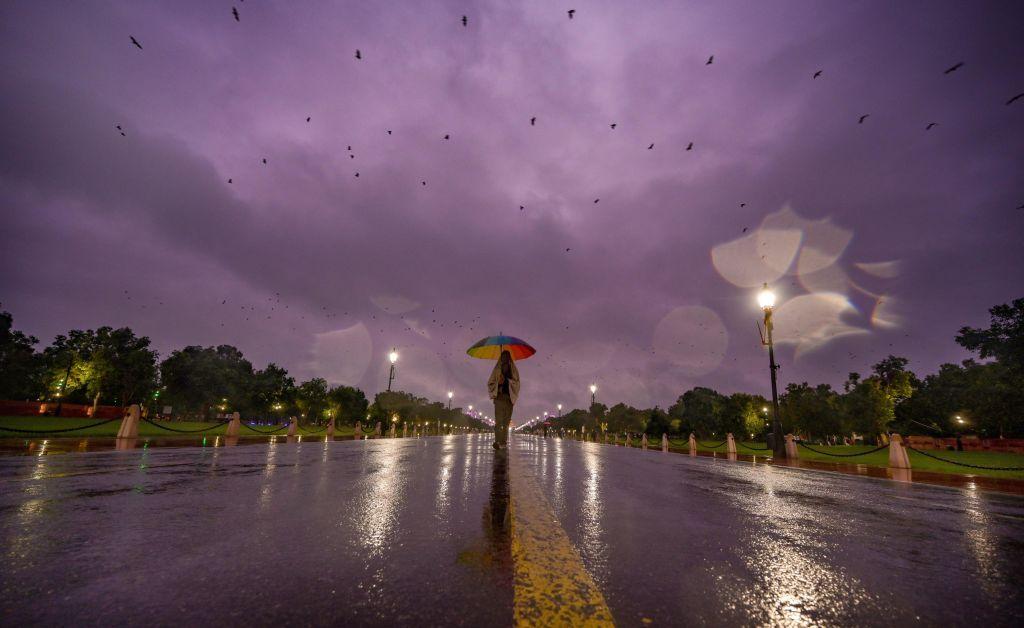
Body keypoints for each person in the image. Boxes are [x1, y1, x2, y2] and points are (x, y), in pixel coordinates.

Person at [487, 349, 520, 450]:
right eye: (503, 356)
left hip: (509, 399)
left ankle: (503, 442)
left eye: (506, 356)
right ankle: (497, 441)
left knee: (505, 422)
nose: (505, 358)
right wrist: (498, 383)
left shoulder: (513, 370)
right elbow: (490, 382)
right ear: (501, 358)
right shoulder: (497, 369)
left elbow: (517, 383)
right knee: (498, 422)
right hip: (499, 398)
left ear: (509, 358)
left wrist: (507, 380)